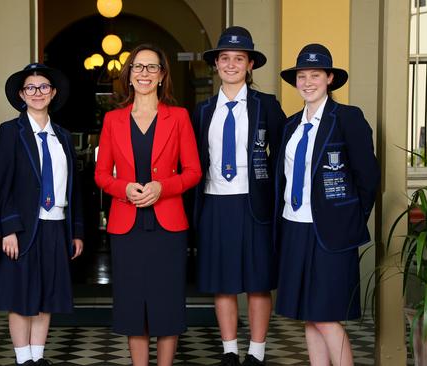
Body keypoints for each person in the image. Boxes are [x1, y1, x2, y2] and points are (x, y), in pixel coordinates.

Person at [94, 44, 201, 366]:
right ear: (128, 76)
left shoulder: (179, 117)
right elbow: (101, 175)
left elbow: (194, 171)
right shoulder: (113, 120)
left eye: (151, 67)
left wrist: (162, 187)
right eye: (138, 67)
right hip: (126, 225)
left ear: (162, 75)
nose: (144, 73)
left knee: (167, 301)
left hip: (168, 226)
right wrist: (124, 187)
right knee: (131, 302)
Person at [275, 43, 380, 365]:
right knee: (309, 315)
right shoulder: (291, 124)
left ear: (329, 78)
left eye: (315, 75)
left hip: (330, 233)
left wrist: (348, 219)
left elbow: (368, 177)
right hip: (295, 225)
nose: (307, 82)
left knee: (326, 316)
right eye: (302, 76)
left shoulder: (347, 118)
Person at [192, 26, 286, 366]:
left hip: (254, 203)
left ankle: (256, 352)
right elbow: (195, 161)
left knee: (258, 282)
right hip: (216, 201)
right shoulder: (202, 111)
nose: (231, 64)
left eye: (239, 58)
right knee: (224, 281)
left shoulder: (267, 106)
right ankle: (230, 350)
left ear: (250, 65)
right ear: (216, 64)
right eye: (225, 58)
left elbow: (282, 158)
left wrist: (279, 200)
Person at [0, 63, 84, 366]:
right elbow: (0, 185)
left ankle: (38, 357)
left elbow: (74, 188)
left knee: (47, 294)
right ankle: (23, 359)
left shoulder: (63, 137)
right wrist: (8, 228)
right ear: (21, 94)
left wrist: (77, 230)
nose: (37, 93)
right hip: (22, 229)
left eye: (44, 87)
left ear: (53, 93)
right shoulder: (9, 132)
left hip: (56, 225)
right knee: (21, 295)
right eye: (30, 88)